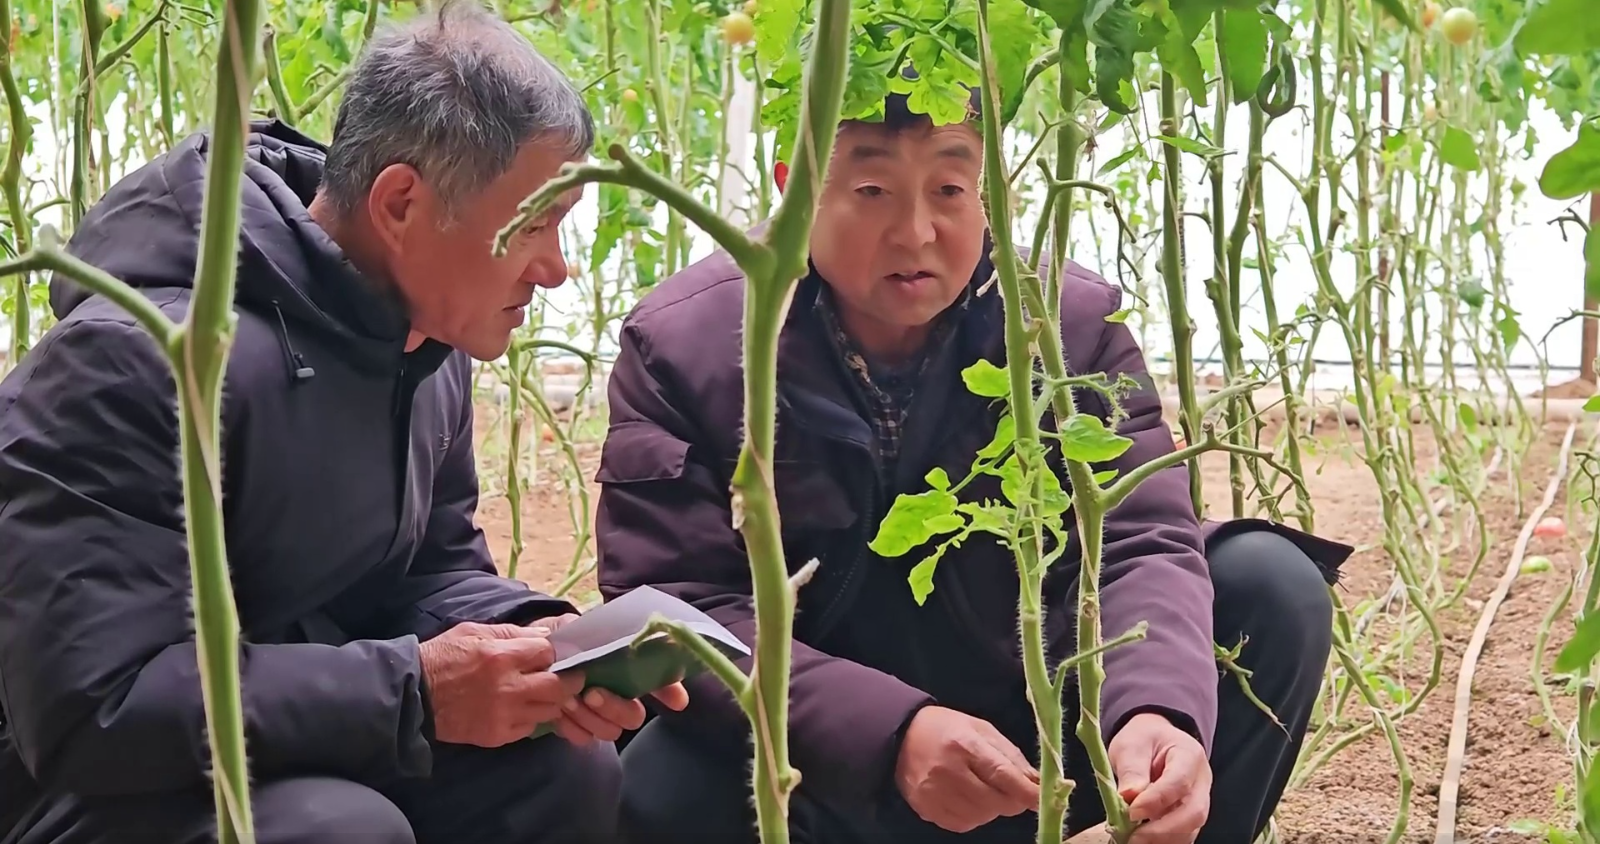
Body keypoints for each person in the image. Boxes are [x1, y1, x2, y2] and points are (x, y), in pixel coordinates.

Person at [594, 80, 1354, 844]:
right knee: (665, 781)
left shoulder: (1068, 326)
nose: (916, 232)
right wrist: (893, 731)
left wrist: (1155, 710)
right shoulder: (688, 344)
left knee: (1269, 587)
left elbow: (1138, 539)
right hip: (823, 759)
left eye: (950, 188)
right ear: (796, 190)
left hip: (1032, 752)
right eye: (872, 190)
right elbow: (677, 604)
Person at [0, 3, 686, 843]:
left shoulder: (422, 343)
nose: (555, 269)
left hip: (300, 734)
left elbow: (428, 570)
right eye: (533, 224)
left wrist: (537, 643)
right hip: (79, 789)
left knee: (560, 769)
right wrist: (415, 692)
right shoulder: (135, 364)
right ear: (400, 203)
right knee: (343, 831)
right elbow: (93, 710)